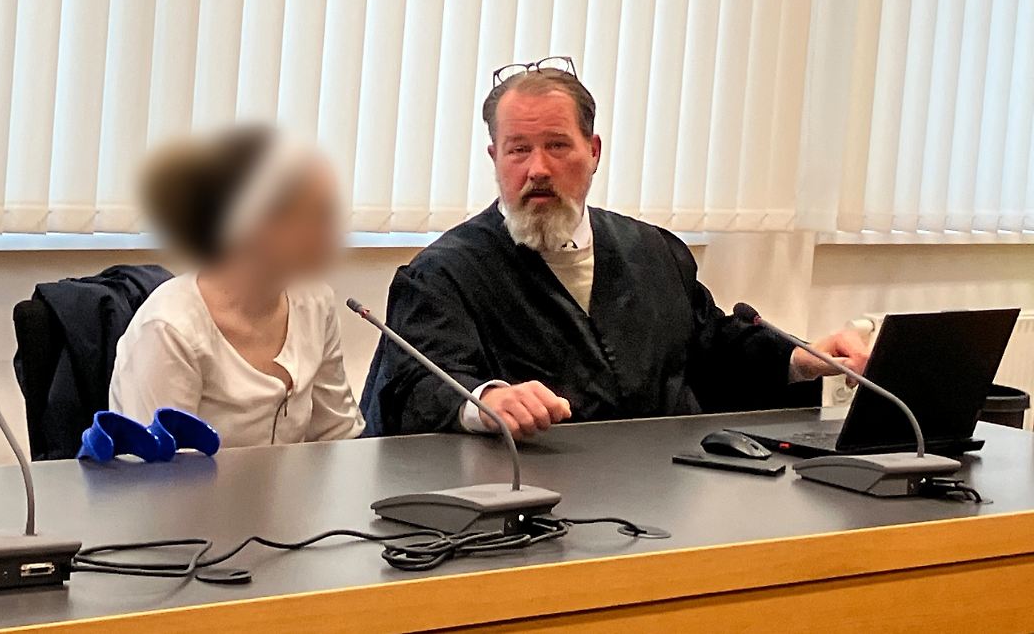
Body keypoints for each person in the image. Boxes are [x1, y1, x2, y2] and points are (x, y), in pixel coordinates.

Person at [361, 56, 868, 439]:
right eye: (518, 150)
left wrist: (801, 359)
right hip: (533, 507)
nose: (537, 168)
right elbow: (414, 387)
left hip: (668, 491)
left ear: (593, 151)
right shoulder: (444, 275)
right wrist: (486, 400)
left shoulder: (653, 252)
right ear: (495, 157)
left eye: (557, 145)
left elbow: (711, 347)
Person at [110, 126, 365, 446]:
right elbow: (162, 473)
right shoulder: (168, 329)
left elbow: (337, 436)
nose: (333, 234)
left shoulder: (315, 301)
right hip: (181, 481)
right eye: (316, 217)